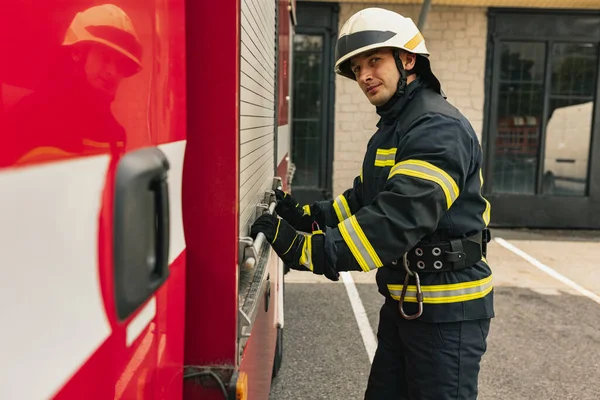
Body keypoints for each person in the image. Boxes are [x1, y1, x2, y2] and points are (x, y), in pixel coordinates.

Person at [251, 7, 493, 400]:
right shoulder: (394, 128)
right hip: (405, 301)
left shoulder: (437, 127)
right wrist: (308, 217)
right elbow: (365, 200)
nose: (364, 75)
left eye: (375, 60)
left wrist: (308, 250)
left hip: (448, 311)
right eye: (358, 67)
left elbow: (397, 220)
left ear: (409, 59)